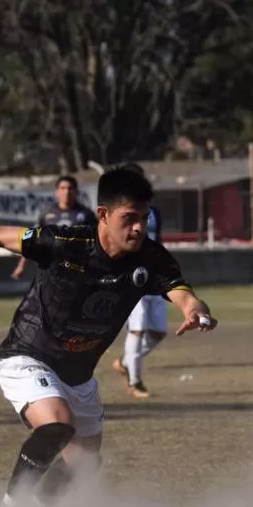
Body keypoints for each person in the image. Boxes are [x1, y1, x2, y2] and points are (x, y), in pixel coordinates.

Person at [0, 166, 218, 507]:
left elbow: (182, 292)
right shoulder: (63, 241)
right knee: (56, 425)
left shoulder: (151, 258)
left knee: (84, 466)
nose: (138, 228)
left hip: (78, 375)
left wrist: (194, 309)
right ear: (103, 215)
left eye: (144, 218)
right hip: (27, 355)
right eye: (129, 219)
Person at [111, 162, 167, 398]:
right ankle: (135, 382)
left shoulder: (154, 212)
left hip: (153, 276)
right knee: (137, 328)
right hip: (130, 277)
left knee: (158, 332)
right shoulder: (117, 211)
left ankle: (125, 361)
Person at [11, 176, 96, 280]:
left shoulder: (87, 214)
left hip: (78, 268)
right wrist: (21, 266)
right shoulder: (47, 214)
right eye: (63, 188)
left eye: (70, 188)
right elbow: (32, 239)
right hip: (51, 268)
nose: (66, 192)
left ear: (76, 191)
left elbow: (97, 241)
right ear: (57, 192)